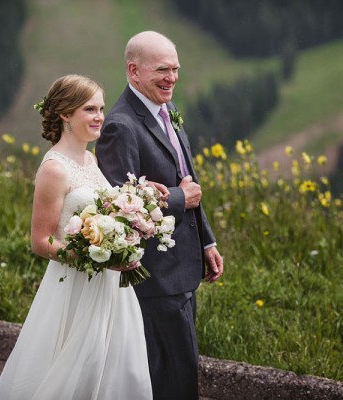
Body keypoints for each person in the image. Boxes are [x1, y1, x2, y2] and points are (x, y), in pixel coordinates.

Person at [0, 74, 158, 399]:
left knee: (116, 369)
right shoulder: (55, 169)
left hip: (109, 287)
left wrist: (136, 201)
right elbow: (41, 241)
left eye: (101, 108)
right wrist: (101, 259)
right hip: (76, 287)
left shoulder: (90, 159)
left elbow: (101, 212)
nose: (100, 117)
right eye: (89, 109)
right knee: (72, 373)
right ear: (65, 114)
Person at [96, 31, 224, 399]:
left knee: (177, 371)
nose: (172, 78)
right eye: (162, 70)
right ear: (133, 71)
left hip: (182, 270)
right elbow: (120, 206)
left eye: (176, 69)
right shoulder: (121, 125)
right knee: (173, 375)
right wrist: (179, 198)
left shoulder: (165, 110)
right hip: (155, 278)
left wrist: (206, 241)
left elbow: (189, 181)